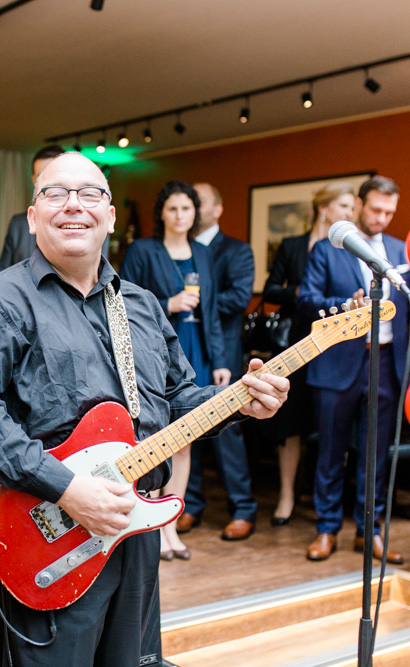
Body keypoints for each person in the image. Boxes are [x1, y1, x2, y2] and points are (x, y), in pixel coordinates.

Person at [0, 152, 289, 666]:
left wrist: (241, 402)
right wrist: (68, 488)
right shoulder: (0, 300)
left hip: (133, 529)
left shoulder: (143, 306)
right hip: (48, 532)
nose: (73, 205)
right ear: (33, 217)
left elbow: (175, 401)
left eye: (90, 194)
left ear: (110, 216)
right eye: (54, 193)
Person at [298, 176, 410, 563]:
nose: (382, 217)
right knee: (331, 452)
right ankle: (326, 528)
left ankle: (372, 532)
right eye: (376, 209)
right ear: (359, 206)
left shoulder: (403, 251)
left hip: (385, 361)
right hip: (339, 362)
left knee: (377, 454)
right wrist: (346, 302)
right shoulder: (326, 250)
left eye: (389, 212)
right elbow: (306, 300)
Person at [120, 180, 228, 561]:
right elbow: (122, 303)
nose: (180, 215)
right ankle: (148, 525)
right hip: (153, 354)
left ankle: (169, 524)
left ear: (195, 213)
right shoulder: (143, 250)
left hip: (196, 348)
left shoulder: (203, 253)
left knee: (185, 442)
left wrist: (221, 362)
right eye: (173, 209)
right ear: (161, 213)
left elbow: (211, 311)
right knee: (153, 439)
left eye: (187, 209)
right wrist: (170, 302)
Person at [262, 182, 356, 526]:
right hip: (296, 343)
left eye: (351, 208)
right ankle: (287, 494)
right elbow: (271, 289)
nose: (349, 214)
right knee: (292, 423)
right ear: (324, 209)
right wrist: (302, 292)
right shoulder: (293, 246)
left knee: (332, 425)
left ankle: (328, 504)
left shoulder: (350, 249)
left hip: (334, 346)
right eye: (344, 207)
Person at [177, 182, 258, 541]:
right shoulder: (177, 249)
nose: (192, 207)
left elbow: (240, 297)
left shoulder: (237, 250)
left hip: (221, 349)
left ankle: (243, 508)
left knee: (228, 432)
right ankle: (189, 504)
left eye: (199, 202)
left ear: (217, 209)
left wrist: (201, 303)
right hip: (184, 349)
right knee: (185, 426)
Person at [0, 144, 66, 272]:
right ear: (34, 180)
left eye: (53, 174)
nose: (47, 182)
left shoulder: (85, 221)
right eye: (41, 176)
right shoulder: (18, 224)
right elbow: (2, 272)